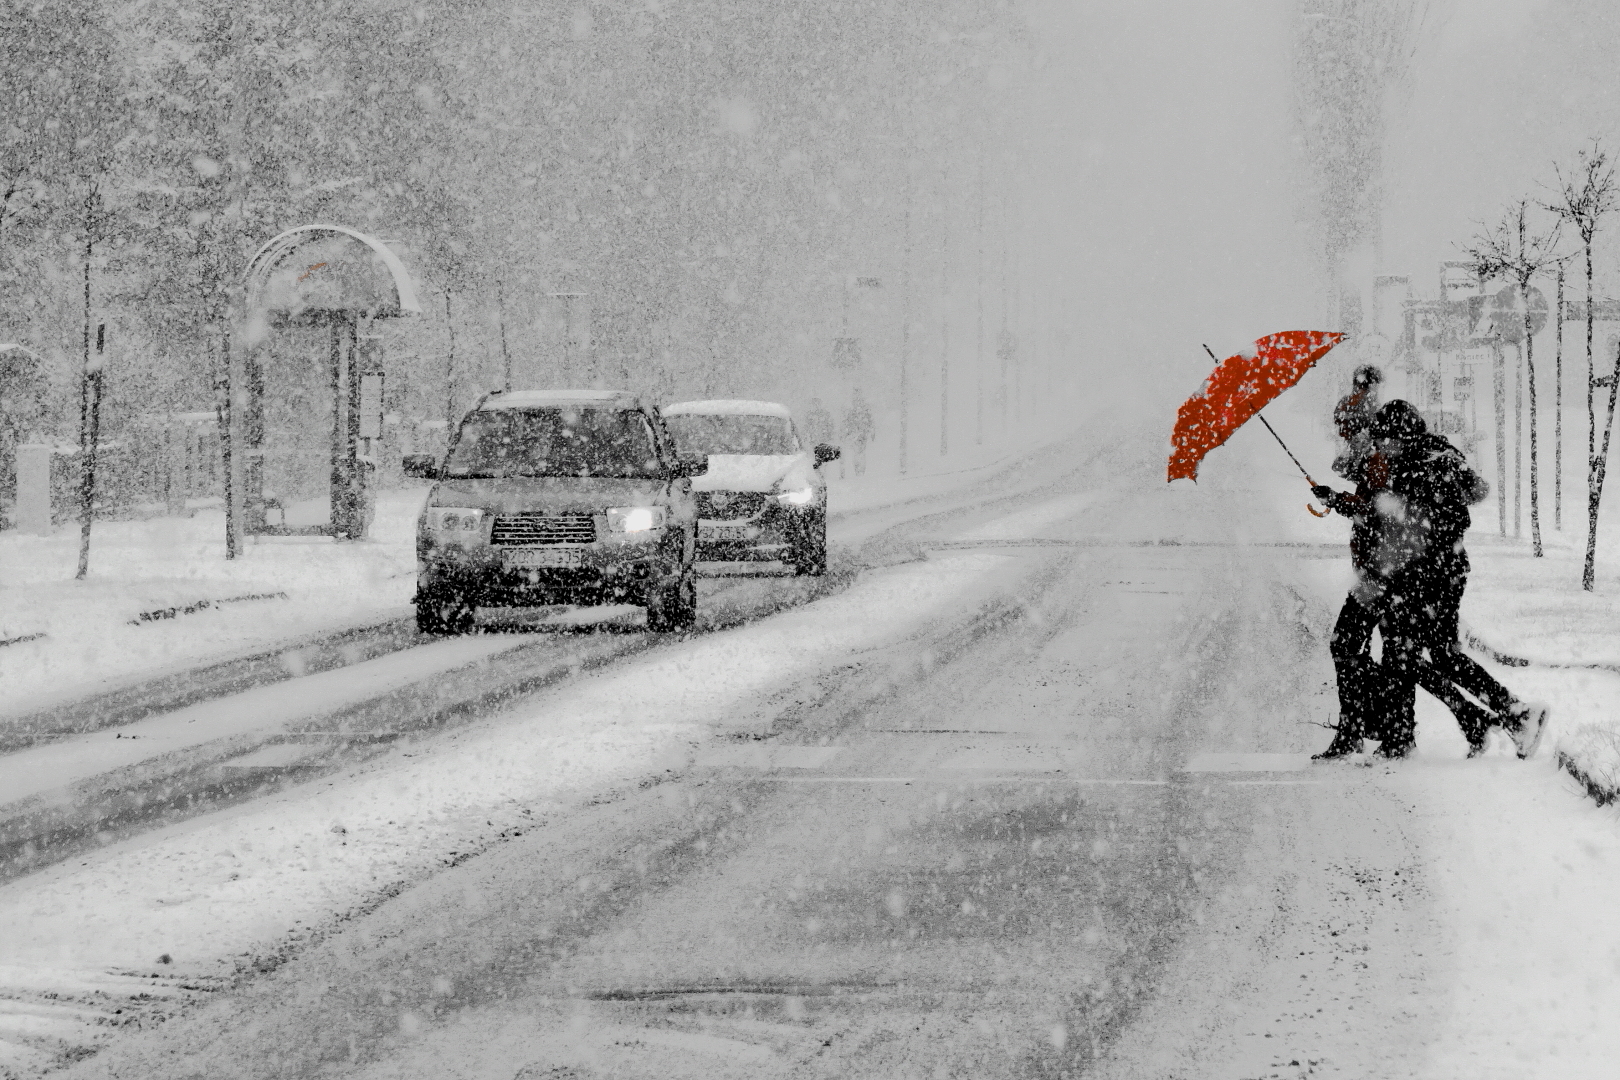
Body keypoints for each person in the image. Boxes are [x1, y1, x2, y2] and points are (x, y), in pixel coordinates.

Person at [1319, 400, 1547, 759]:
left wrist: (1369, 518)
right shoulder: (1425, 459)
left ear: (1402, 435)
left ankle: (1505, 714)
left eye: (1386, 440)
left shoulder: (1420, 467)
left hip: (1424, 578)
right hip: (1420, 575)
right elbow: (1394, 514)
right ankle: (1481, 718)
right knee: (1415, 654)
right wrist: (1345, 502)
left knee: (1417, 654)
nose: (1381, 447)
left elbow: (1405, 523)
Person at [842, 388, 874, 477]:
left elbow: (869, 420)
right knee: (858, 453)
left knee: (860, 453)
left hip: (861, 433)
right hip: (855, 434)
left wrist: (870, 430)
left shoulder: (862, 408)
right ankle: (858, 471)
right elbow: (847, 421)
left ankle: (860, 471)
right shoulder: (853, 408)